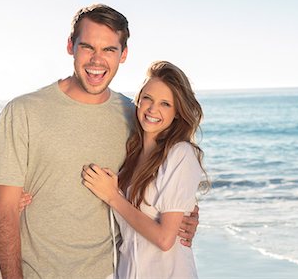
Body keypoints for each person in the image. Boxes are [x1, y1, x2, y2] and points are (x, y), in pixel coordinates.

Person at [0, 4, 199, 279]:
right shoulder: (23, 112)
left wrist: (188, 215)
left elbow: (164, 178)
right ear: (70, 46)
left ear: (123, 54)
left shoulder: (133, 115)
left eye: (109, 50)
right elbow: (3, 211)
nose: (96, 60)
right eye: (88, 47)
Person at [82, 60, 208, 279]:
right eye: (147, 98)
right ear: (138, 101)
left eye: (165, 104)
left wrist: (113, 197)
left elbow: (165, 239)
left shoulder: (180, 154)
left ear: (178, 112)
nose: (152, 109)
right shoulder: (131, 154)